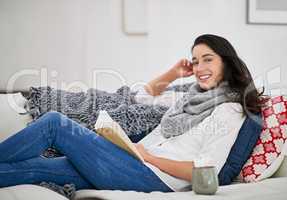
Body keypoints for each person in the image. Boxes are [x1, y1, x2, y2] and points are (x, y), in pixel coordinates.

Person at [0, 34, 264, 192]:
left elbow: (207, 173)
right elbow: (145, 94)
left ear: (226, 62)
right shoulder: (192, 95)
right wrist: (174, 73)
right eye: (195, 61)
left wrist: (148, 157)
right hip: (131, 161)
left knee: (55, 124)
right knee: (34, 168)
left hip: (153, 176)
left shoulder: (229, 110)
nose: (198, 67)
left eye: (208, 59)